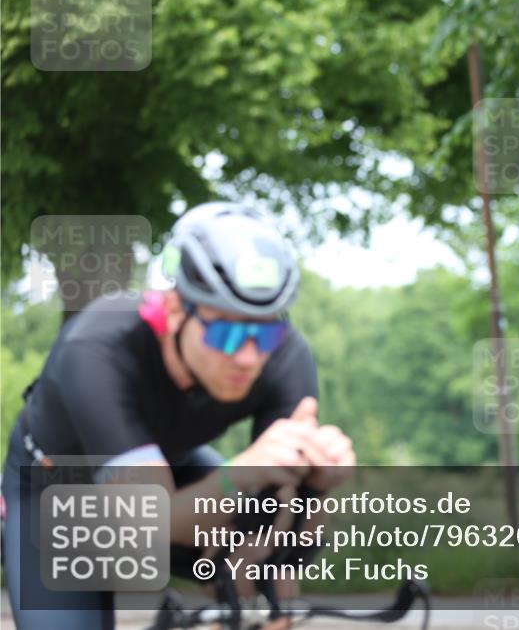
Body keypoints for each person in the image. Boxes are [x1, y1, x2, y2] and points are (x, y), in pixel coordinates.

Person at [1, 202, 355, 629]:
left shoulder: (283, 355)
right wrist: (239, 476)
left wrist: (316, 487)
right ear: (172, 311)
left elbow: (278, 534)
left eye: (265, 331)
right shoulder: (98, 347)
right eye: (225, 332)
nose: (248, 356)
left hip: (170, 471)